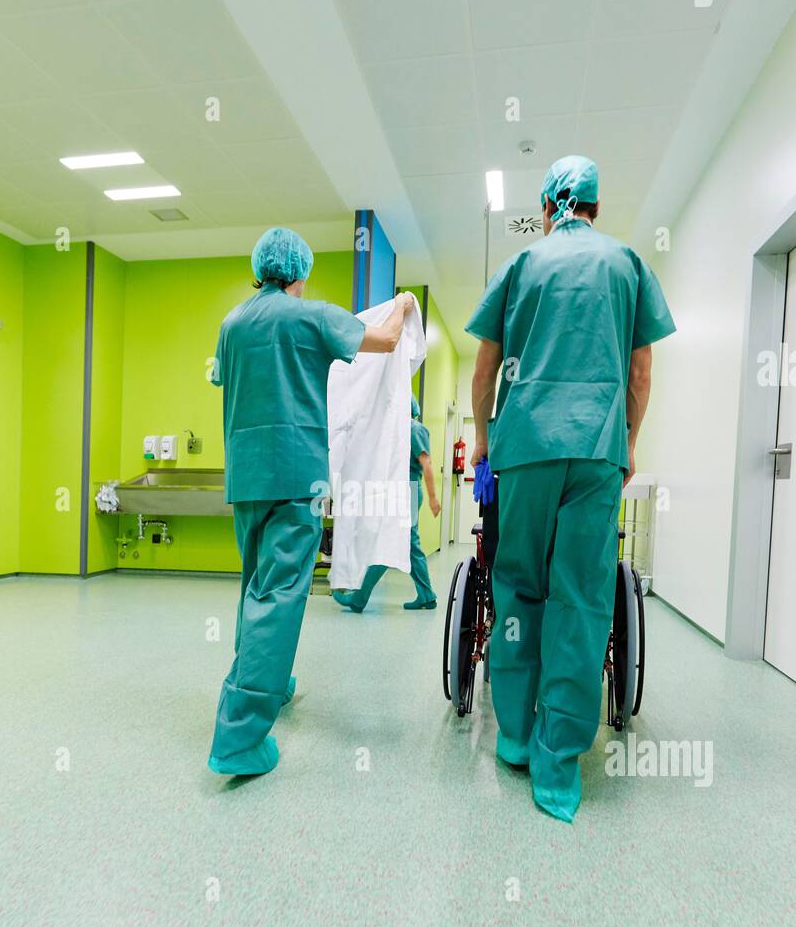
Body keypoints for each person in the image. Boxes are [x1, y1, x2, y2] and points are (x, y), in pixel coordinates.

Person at [466, 155, 675, 823]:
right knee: (581, 600)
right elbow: (639, 372)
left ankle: (516, 737)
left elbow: (484, 369)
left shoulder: (521, 265)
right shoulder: (627, 265)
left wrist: (485, 440)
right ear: (594, 205)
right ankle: (558, 767)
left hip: (524, 448)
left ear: (548, 203)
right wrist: (628, 442)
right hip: (594, 451)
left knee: (519, 586)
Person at [209, 226, 415, 776]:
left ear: (259, 268)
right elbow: (387, 339)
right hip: (296, 476)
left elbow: (218, 378)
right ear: (299, 272)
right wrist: (403, 304)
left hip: (247, 477)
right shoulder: (311, 315)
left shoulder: (231, 324)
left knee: (256, 586)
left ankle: (269, 683)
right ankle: (239, 736)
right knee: (279, 595)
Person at [332, 394, 440, 613]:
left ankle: (359, 598)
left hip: (407, 489)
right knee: (409, 545)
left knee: (389, 542)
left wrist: (433, 497)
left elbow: (426, 463)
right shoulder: (397, 431)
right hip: (399, 489)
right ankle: (426, 595)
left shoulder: (414, 429)